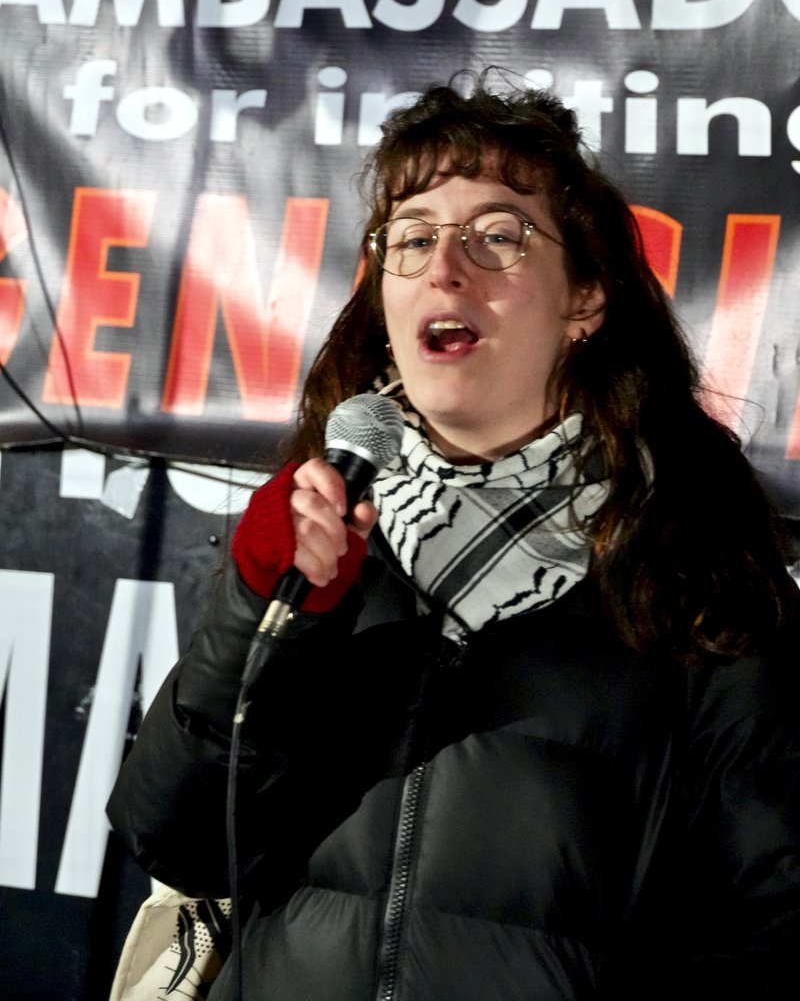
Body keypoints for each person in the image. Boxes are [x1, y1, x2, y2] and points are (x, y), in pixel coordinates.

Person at [107, 75, 800, 1001]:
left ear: (584, 301)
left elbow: (772, 930)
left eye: (498, 236)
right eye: (415, 237)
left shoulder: (699, 572)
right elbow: (180, 842)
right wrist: (263, 613)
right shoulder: (328, 535)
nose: (445, 267)